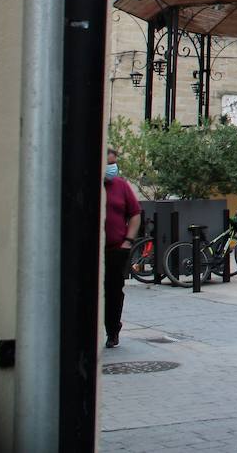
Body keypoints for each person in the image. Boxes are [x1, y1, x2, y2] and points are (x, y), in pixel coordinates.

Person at [103, 150, 142, 349]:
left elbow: (135, 213)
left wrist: (128, 241)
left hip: (115, 249)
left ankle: (112, 331)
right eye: (109, 163)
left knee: (114, 291)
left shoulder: (121, 186)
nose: (112, 167)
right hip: (93, 251)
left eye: (114, 163)